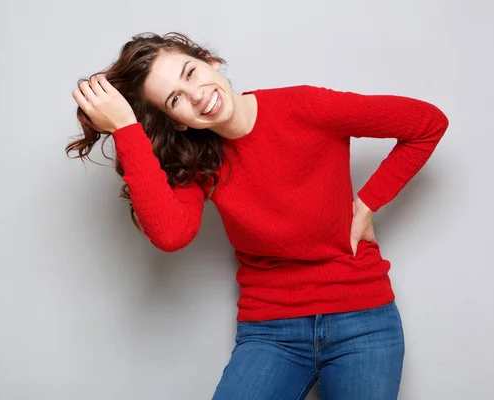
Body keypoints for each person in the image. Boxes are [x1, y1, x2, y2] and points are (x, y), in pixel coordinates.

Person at [66, 31, 449, 400]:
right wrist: (125, 128)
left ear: (210, 61)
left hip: (362, 320)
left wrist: (367, 203)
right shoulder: (200, 161)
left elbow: (426, 122)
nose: (197, 96)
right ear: (178, 122)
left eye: (191, 73)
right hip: (272, 331)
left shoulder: (305, 107)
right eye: (175, 100)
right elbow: (171, 235)